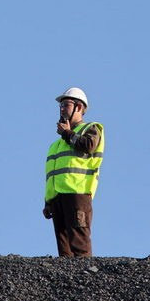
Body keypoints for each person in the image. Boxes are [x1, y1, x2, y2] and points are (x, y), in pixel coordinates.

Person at [43, 86, 105, 257]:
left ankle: (88, 279)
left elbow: (88, 145)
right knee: (64, 250)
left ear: (78, 107)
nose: (62, 109)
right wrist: (48, 201)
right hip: (58, 198)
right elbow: (52, 175)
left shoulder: (91, 128)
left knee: (79, 245)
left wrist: (67, 133)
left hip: (78, 194)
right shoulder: (56, 145)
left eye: (66, 105)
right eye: (61, 106)